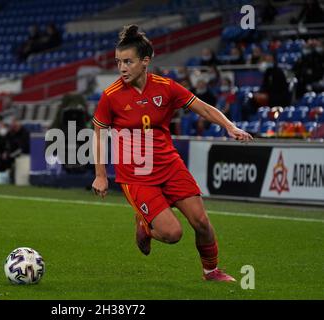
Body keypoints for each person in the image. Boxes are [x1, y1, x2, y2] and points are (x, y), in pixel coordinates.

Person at [91, 25, 252, 282]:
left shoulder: (166, 87)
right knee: (172, 234)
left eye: (128, 61)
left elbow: (203, 108)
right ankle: (145, 225)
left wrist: (229, 126)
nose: (122, 68)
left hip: (169, 165)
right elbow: (98, 134)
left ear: (145, 61)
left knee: (201, 222)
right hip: (136, 176)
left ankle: (211, 272)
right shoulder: (110, 96)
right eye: (118, 62)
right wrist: (100, 175)